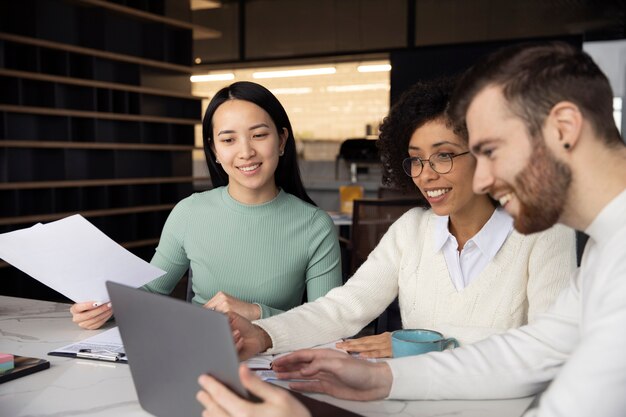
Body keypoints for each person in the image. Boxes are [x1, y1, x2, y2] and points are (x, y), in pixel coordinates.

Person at [198, 42, 626, 417]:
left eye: (491, 151)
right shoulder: (607, 247)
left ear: (564, 129)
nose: (482, 179)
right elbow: (540, 348)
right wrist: (383, 379)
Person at [226, 76, 576, 361]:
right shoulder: (411, 229)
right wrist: (264, 334)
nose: (426, 175)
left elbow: (553, 342)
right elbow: (344, 307)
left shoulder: (543, 232)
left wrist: (421, 344)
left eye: (443, 156)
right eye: (416, 160)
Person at [69, 81, 342, 329]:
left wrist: (255, 312)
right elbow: (151, 293)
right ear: (214, 151)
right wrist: (107, 307)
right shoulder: (190, 213)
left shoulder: (314, 225)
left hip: (277, 364)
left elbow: (328, 322)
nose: (246, 152)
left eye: (258, 135)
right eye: (228, 140)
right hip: (197, 356)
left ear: (282, 140)